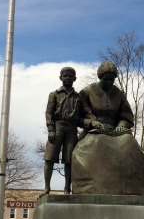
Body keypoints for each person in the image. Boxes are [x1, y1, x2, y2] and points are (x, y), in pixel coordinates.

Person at [43, 66, 97, 194]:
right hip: (57, 127)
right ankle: (47, 187)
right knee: (49, 158)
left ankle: (67, 188)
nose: (67, 78)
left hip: (72, 129)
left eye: (70, 76)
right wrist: (51, 129)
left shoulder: (78, 97)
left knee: (69, 160)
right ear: (60, 78)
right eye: (65, 76)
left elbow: (88, 113)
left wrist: (94, 120)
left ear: (75, 79)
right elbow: (49, 113)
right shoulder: (54, 95)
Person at [79, 60, 134, 134]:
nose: (109, 82)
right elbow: (76, 116)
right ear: (100, 77)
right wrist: (91, 122)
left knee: (129, 141)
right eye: (106, 79)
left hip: (114, 132)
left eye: (111, 79)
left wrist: (122, 125)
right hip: (92, 131)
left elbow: (127, 116)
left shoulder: (119, 94)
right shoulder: (86, 92)